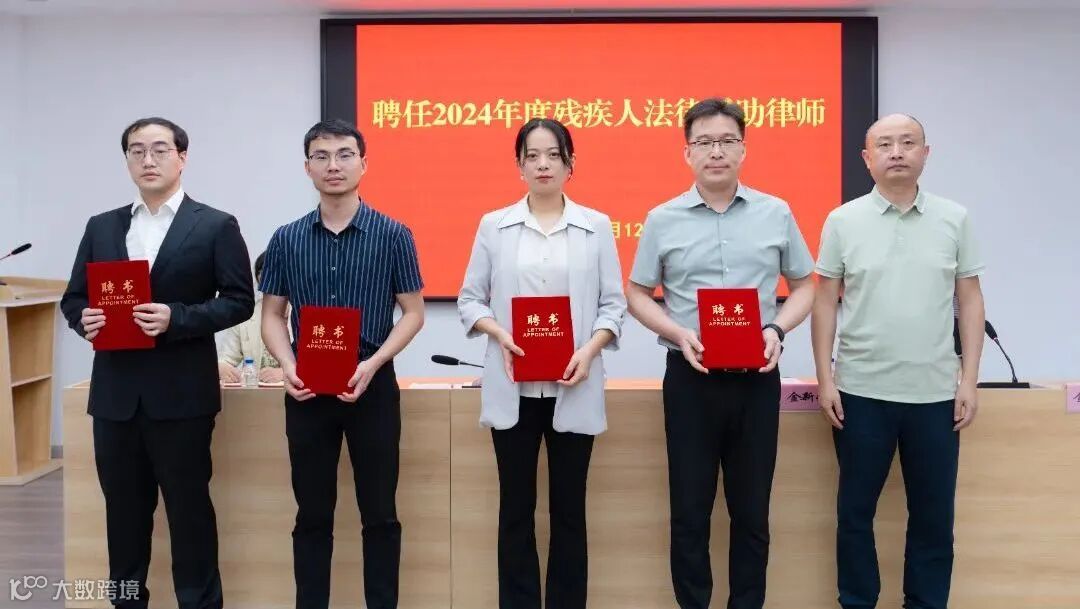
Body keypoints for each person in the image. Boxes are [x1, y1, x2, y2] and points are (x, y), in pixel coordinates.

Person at [625, 98, 815, 609]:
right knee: (690, 512)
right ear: (687, 152)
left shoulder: (776, 212)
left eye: (727, 141)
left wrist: (776, 327)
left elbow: (805, 286)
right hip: (691, 378)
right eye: (704, 142)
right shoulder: (662, 219)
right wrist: (677, 331)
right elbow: (637, 293)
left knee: (752, 512)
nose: (716, 152)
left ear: (743, 149)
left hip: (758, 378)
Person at [60, 117, 255, 609]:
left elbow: (239, 300)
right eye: (137, 150)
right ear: (127, 159)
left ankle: (200, 603)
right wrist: (85, 320)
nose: (148, 160)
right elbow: (73, 298)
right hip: (115, 397)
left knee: (189, 515)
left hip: (182, 396)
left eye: (160, 150)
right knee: (123, 517)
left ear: (181, 158)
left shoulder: (215, 224)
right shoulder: (102, 225)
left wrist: (177, 317)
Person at [811, 113, 985, 609]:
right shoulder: (842, 221)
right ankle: (857, 601)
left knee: (933, 518)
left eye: (908, 143)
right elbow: (824, 302)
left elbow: (970, 300)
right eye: (884, 145)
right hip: (860, 392)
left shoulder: (954, 218)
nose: (897, 152)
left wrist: (969, 380)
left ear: (925, 154)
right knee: (855, 515)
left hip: (935, 395)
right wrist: (826, 378)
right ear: (866, 159)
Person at [458, 118, 626, 609]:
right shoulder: (494, 226)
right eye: (532, 155)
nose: (543, 164)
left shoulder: (596, 226)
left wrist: (589, 349)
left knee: (570, 512)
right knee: (515, 511)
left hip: (575, 382)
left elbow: (613, 306)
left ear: (571, 163)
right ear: (519, 165)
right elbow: (470, 300)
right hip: (514, 386)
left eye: (553, 154)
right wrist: (498, 333)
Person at [259, 119, 424, 609]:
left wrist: (374, 363)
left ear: (363, 163)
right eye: (322, 156)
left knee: (380, 514)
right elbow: (272, 315)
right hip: (307, 390)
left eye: (345, 154)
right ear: (307, 166)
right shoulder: (286, 238)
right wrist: (287, 363)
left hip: (372, 387)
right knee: (311, 515)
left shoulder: (394, 234)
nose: (334, 165)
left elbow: (413, 313)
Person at [216, 251, 286, 383]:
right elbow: (225, 358)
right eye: (264, 274)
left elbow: (318, 364)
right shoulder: (247, 314)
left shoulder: (304, 313)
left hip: (297, 392)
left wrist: (284, 373)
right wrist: (222, 367)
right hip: (256, 393)